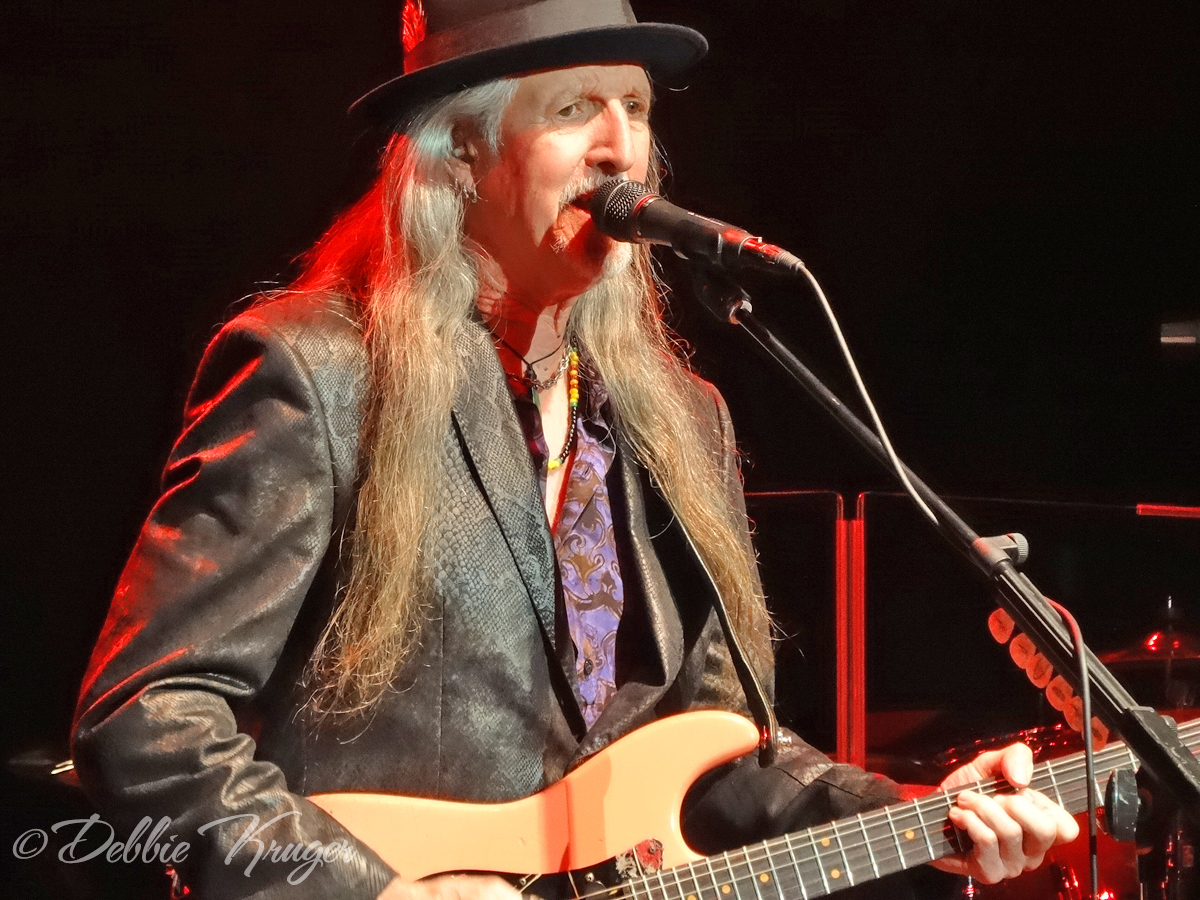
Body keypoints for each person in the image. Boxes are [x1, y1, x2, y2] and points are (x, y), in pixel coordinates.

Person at [71, 2, 1079, 898]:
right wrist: (376, 893)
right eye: (573, 109)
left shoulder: (682, 419)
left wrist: (922, 820)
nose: (619, 148)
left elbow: (727, 756)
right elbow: (147, 717)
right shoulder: (319, 374)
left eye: (635, 107)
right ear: (459, 152)